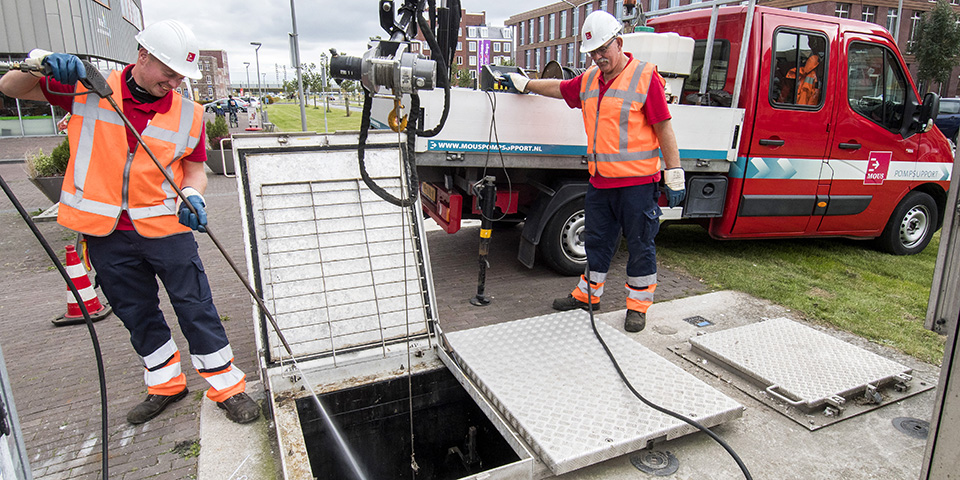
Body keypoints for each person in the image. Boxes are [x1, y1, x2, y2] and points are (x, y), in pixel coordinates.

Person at [0, 19, 260, 425]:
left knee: (196, 307)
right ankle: (165, 384)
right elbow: (10, 88)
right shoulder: (87, 88)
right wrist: (39, 65)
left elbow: (195, 170)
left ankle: (227, 387)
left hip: (167, 228)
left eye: (180, 77)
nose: (174, 83)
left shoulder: (189, 114)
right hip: (106, 233)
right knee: (136, 312)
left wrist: (193, 195)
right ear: (143, 56)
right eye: (168, 72)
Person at [504, 11, 685, 333]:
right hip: (601, 183)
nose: (598, 57)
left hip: (637, 184)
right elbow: (560, 88)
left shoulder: (645, 77)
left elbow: (664, 128)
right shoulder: (589, 80)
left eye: (603, 49)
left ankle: (638, 306)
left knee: (640, 244)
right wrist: (526, 83)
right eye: (592, 53)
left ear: (619, 43)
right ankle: (588, 295)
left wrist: (674, 172)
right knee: (597, 242)